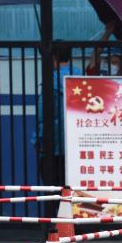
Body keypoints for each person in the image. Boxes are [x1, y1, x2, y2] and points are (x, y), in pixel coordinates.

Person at [33, 45, 81, 186]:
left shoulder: (50, 81)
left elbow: (44, 115)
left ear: (54, 57)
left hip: (52, 145)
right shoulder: (80, 77)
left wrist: (37, 139)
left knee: (53, 192)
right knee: (73, 191)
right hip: (76, 146)